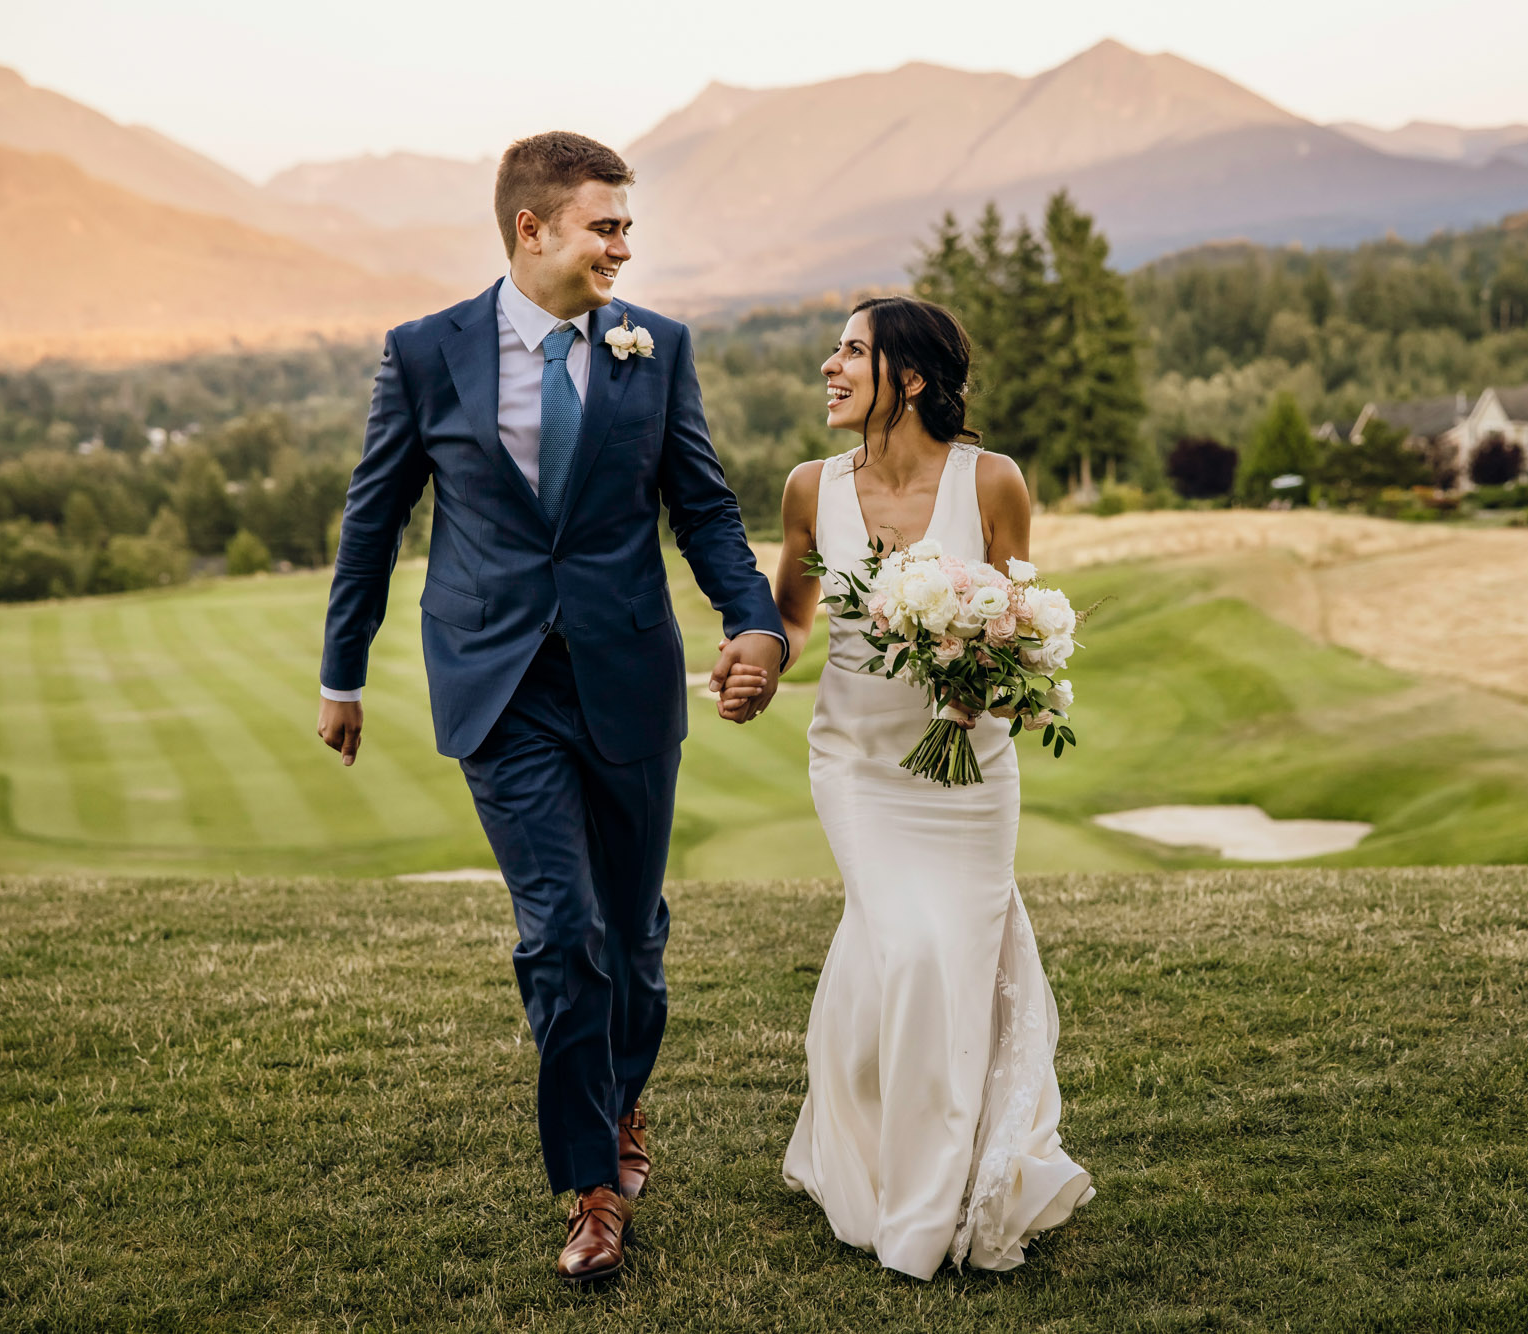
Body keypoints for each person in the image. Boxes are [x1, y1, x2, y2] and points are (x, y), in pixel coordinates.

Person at [315, 131, 787, 1285]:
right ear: (532, 230)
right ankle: (590, 1187)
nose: (625, 246)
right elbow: (373, 520)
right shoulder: (425, 354)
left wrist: (757, 620)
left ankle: (623, 1099)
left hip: (627, 675)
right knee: (561, 933)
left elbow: (706, 508)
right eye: (605, 226)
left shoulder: (654, 348)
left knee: (632, 939)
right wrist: (343, 671)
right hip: (498, 683)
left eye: (627, 226)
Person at [719, 297, 1093, 1279]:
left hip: (970, 773)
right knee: (911, 945)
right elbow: (792, 617)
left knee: (938, 957)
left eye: (851, 350)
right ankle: (916, 1202)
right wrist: (759, 662)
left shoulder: (992, 481)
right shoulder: (809, 488)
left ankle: (944, 1171)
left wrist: (983, 680)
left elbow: (1019, 619)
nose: (828, 366)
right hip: (856, 764)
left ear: (911, 378)